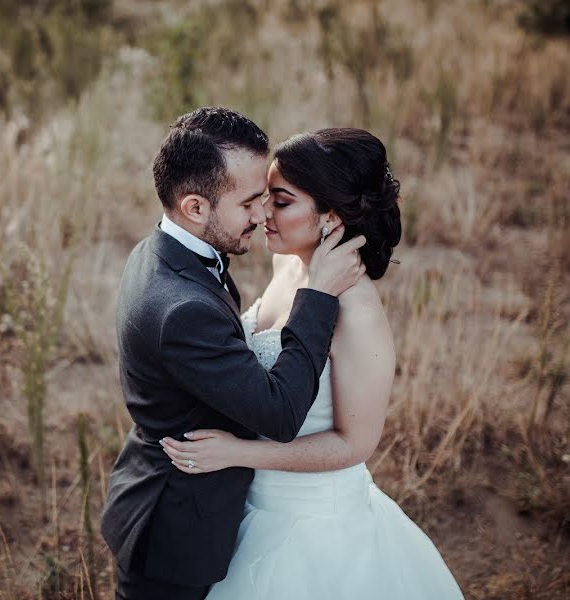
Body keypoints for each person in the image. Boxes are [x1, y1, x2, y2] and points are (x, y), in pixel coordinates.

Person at [160, 128, 464, 599]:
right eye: (262, 198)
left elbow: (355, 443)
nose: (261, 213)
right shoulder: (288, 266)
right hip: (244, 503)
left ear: (332, 217)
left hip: (313, 524)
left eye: (280, 202)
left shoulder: (358, 312)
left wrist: (240, 453)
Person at [100, 108, 367, 600]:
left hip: (192, 500)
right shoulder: (183, 309)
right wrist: (320, 296)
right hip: (175, 531)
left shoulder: (162, 250)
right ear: (196, 207)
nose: (263, 214)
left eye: (268, 199)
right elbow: (281, 413)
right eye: (249, 203)